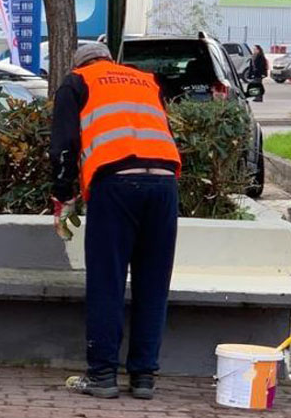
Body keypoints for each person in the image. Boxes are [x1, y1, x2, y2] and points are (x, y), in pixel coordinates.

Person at [50, 43, 181, 400]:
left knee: (107, 280)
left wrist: (62, 194)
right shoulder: (145, 81)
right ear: (110, 60)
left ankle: (103, 376)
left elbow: (63, 146)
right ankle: (143, 378)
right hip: (165, 183)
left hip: (117, 183)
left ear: (80, 63)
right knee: (153, 283)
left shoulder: (77, 82)